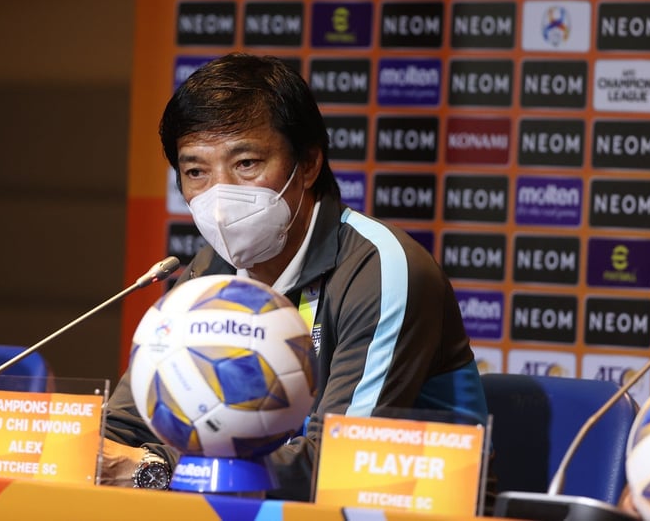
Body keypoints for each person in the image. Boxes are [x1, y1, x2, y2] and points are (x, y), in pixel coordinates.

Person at [101, 52, 489, 499]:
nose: (220, 197)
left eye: (246, 164)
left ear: (307, 164)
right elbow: (127, 423)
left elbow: (340, 462)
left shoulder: (382, 268)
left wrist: (156, 470)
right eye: (195, 172)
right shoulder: (212, 270)